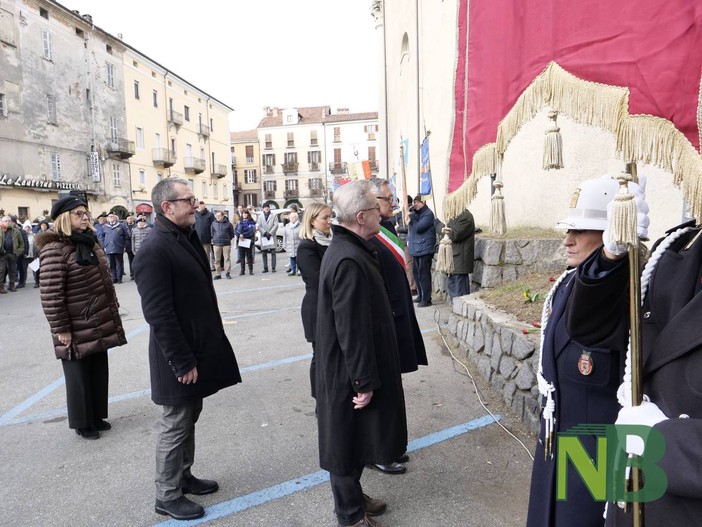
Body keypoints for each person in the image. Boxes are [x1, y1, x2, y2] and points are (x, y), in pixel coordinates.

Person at [526, 175, 648, 527]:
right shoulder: (572, 278)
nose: (567, 240)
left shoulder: (622, 285)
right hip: (558, 436)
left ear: (612, 233)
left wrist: (611, 256)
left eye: (580, 231)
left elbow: (594, 303)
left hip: (598, 452)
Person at [133, 178, 241, 521]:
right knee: (175, 421)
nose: (196, 205)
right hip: (177, 354)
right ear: (168, 207)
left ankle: (183, 475)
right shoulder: (154, 249)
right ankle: (166, 494)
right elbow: (159, 315)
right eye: (189, 200)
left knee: (190, 413)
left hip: (197, 346)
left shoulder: (183, 235)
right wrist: (180, 361)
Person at [316, 180, 408, 527]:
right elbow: (351, 328)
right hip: (348, 370)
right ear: (360, 216)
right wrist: (363, 380)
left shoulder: (351, 249)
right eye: (374, 209)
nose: (381, 213)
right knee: (344, 443)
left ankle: (355, 498)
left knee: (356, 438)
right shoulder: (348, 259)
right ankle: (350, 515)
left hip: (351, 367)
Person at [35, 196, 127, 439]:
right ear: (65, 218)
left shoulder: (90, 242)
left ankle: (96, 416)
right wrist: (61, 329)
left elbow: (104, 280)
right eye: (78, 213)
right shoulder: (54, 249)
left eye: (86, 212)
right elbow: (51, 295)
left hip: (97, 317)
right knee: (78, 375)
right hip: (74, 323)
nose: (85, 217)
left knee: (97, 369)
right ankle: (82, 422)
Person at [366, 179, 428, 476]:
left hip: (399, 314)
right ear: (371, 200)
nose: (393, 203)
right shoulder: (369, 236)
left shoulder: (387, 228)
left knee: (394, 389)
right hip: (385, 320)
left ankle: (392, 445)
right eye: (388, 199)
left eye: (392, 198)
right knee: (383, 391)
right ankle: (379, 451)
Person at [296, 202, 333, 398]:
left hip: (332, 304)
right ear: (312, 220)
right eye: (325, 218)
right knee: (320, 355)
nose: (329, 221)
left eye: (330, 216)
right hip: (317, 307)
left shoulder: (332, 240)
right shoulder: (307, 246)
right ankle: (320, 399)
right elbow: (318, 279)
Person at [407, 195, 436, 307]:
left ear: (423, 203)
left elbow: (419, 227)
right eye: (415, 202)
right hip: (416, 248)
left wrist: (412, 217)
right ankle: (420, 295)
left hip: (425, 248)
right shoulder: (417, 214)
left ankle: (426, 299)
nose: (416, 205)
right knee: (416, 273)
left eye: (418, 202)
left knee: (424, 274)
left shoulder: (428, 214)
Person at [442, 207, 476, 301]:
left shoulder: (465, 216)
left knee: (460, 292)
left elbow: (454, 234)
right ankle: (455, 308)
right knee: (453, 286)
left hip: (460, 258)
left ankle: (459, 310)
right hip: (453, 257)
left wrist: (439, 226)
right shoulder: (454, 216)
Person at [103, 213, 130, 284]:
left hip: (118, 247)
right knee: (111, 264)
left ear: (116, 218)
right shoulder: (105, 227)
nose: (111, 218)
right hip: (109, 248)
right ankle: (113, 278)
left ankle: (119, 278)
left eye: (112, 216)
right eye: (109, 217)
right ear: (107, 218)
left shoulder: (121, 226)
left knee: (119, 264)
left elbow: (127, 237)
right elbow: (102, 237)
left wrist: (124, 246)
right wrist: (104, 245)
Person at [0, 215, 24, 293]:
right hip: (2, 254)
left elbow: (21, 243)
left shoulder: (16, 231)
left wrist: (19, 251)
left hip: (13, 254)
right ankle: (1, 287)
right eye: (6, 221)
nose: (8, 222)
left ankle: (12, 286)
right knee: (2, 270)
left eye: (9, 221)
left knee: (13, 270)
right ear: (2, 222)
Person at [211, 210, 235, 280]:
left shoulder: (228, 224)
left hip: (226, 244)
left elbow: (232, 234)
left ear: (223, 216)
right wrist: (214, 240)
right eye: (216, 216)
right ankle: (218, 274)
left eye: (219, 215)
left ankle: (227, 273)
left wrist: (227, 239)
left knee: (227, 259)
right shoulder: (213, 223)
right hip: (216, 244)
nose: (217, 217)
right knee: (217, 260)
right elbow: (212, 234)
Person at [256, 203, 278, 273]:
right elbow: (258, 226)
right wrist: (264, 233)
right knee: (264, 253)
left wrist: (270, 233)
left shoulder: (274, 215)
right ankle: (265, 267)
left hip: (271, 235)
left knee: (273, 252)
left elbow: (276, 225)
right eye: (265, 207)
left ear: (269, 208)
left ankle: (273, 267)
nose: (266, 208)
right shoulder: (260, 216)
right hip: (264, 236)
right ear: (263, 209)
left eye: (267, 207)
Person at [194, 201, 216, 271]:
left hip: (207, 238)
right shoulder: (195, 215)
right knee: (197, 254)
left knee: (206, 255)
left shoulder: (210, 215)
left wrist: (212, 237)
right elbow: (192, 226)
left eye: (201, 205)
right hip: (197, 238)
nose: (200, 206)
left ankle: (207, 268)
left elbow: (213, 226)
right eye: (199, 205)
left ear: (204, 205)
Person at [234, 209, 256, 275]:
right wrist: (239, 235)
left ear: (248, 214)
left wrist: (243, 235)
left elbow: (251, 231)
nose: (244, 214)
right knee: (242, 257)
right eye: (243, 213)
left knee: (249, 256)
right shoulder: (239, 222)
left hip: (248, 241)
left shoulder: (252, 222)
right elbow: (235, 231)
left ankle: (250, 270)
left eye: (246, 213)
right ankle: (242, 270)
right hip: (241, 241)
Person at [13, 216, 29, 288]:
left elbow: (25, 241)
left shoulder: (21, 231)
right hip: (11, 253)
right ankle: (12, 282)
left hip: (19, 252)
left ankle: (21, 282)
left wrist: (25, 252)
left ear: (14, 222)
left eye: (10, 221)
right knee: (11, 268)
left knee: (20, 267)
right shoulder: (8, 230)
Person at [283, 211, 301, 276]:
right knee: (292, 258)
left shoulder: (300, 226)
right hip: (290, 244)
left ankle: (299, 270)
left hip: (298, 244)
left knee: (298, 258)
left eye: (294, 217)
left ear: (296, 218)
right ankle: (293, 270)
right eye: (291, 217)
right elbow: (285, 236)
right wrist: (284, 245)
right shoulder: (287, 226)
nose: (292, 219)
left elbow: (302, 236)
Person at [124, 214, 136, 279]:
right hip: (129, 246)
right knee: (130, 261)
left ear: (133, 219)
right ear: (126, 220)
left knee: (137, 260)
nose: (129, 220)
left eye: (131, 218)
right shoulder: (124, 226)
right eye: (128, 219)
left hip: (136, 246)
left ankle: (137, 274)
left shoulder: (136, 225)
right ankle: (132, 274)